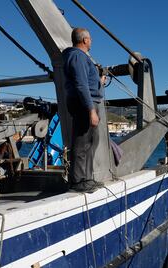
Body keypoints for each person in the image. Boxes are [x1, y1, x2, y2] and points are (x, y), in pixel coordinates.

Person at [62, 27, 105, 192]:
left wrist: (99, 81)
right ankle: (77, 181)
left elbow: (85, 82)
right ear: (85, 40)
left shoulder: (78, 57)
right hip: (84, 105)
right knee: (81, 143)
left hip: (87, 103)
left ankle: (87, 179)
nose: (91, 41)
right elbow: (81, 85)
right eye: (90, 39)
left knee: (91, 143)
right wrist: (91, 110)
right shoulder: (77, 56)